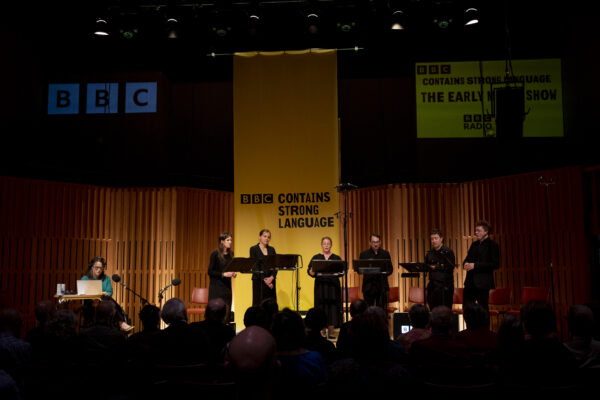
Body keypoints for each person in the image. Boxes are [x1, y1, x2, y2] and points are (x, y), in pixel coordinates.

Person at [81, 257, 133, 332]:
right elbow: (82, 292)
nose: (99, 270)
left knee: (107, 298)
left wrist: (103, 294)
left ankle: (120, 323)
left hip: (103, 305)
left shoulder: (106, 278)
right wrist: (99, 293)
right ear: (92, 267)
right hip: (90, 304)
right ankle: (121, 322)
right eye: (97, 268)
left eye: (101, 268)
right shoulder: (85, 278)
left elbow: (109, 292)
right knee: (107, 300)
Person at [307, 236, 342, 338]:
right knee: (321, 306)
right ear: (321, 245)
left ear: (331, 245)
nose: (326, 245)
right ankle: (322, 330)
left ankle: (331, 331)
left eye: (328, 243)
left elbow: (341, 272)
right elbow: (310, 271)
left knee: (332, 307)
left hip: (333, 286)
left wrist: (339, 271)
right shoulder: (316, 257)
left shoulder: (336, 258)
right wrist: (311, 271)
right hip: (321, 286)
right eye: (324, 243)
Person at [462, 221, 500, 312]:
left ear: (486, 232)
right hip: (470, 282)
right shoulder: (474, 244)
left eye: (478, 231)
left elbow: (495, 264)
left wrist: (475, 265)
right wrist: (465, 263)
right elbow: (467, 259)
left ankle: (484, 327)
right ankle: (470, 326)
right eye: (476, 230)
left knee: (483, 310)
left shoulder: (493, 245)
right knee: (467, 309)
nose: (476, 233)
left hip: (483, 283)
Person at [207, 232, 237, 320]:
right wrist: (223, 274)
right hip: (216, 287)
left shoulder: (231, 254)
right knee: (216, 312)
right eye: (228, 240)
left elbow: (231, 268)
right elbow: (210, 271)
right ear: (222, 241)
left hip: (227, 287)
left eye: (231, 240)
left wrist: (233, 273)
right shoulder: (215, 254)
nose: (230, 242)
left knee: (226, 311)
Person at [424, 229, 456, 309]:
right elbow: (426, 267)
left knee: (445, 311)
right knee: (432, 309)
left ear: (441, 239)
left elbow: (450, 266)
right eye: (432, 239)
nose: (433, 241)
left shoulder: (448, 252)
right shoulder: (429, 253)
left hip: (445, 287)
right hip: (432, 286)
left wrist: (436, 267)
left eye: (436, 238)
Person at [359, 234, 392, 309]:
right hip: (368, 287)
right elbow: (359, 270)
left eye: (377, 242)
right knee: (368, 311)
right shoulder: (364, 254)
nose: (375, 244)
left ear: (380, 242)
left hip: (382, 286)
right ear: (370, 243)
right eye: (373, 242)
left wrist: (383, 272)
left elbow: (390, 270)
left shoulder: (385, 254)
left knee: (381, 311)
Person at [250, 229, 277, 306]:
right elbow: (255, 267)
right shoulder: (253, 249)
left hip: (271, 281)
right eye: (265, 236)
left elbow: (275, 266)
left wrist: (272, 277)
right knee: (258, 304)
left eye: (268, 237)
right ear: (259, 237)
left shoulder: (272, 249)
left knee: (271, 304)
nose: (267, 238)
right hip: (258, 280)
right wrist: (265, 280)